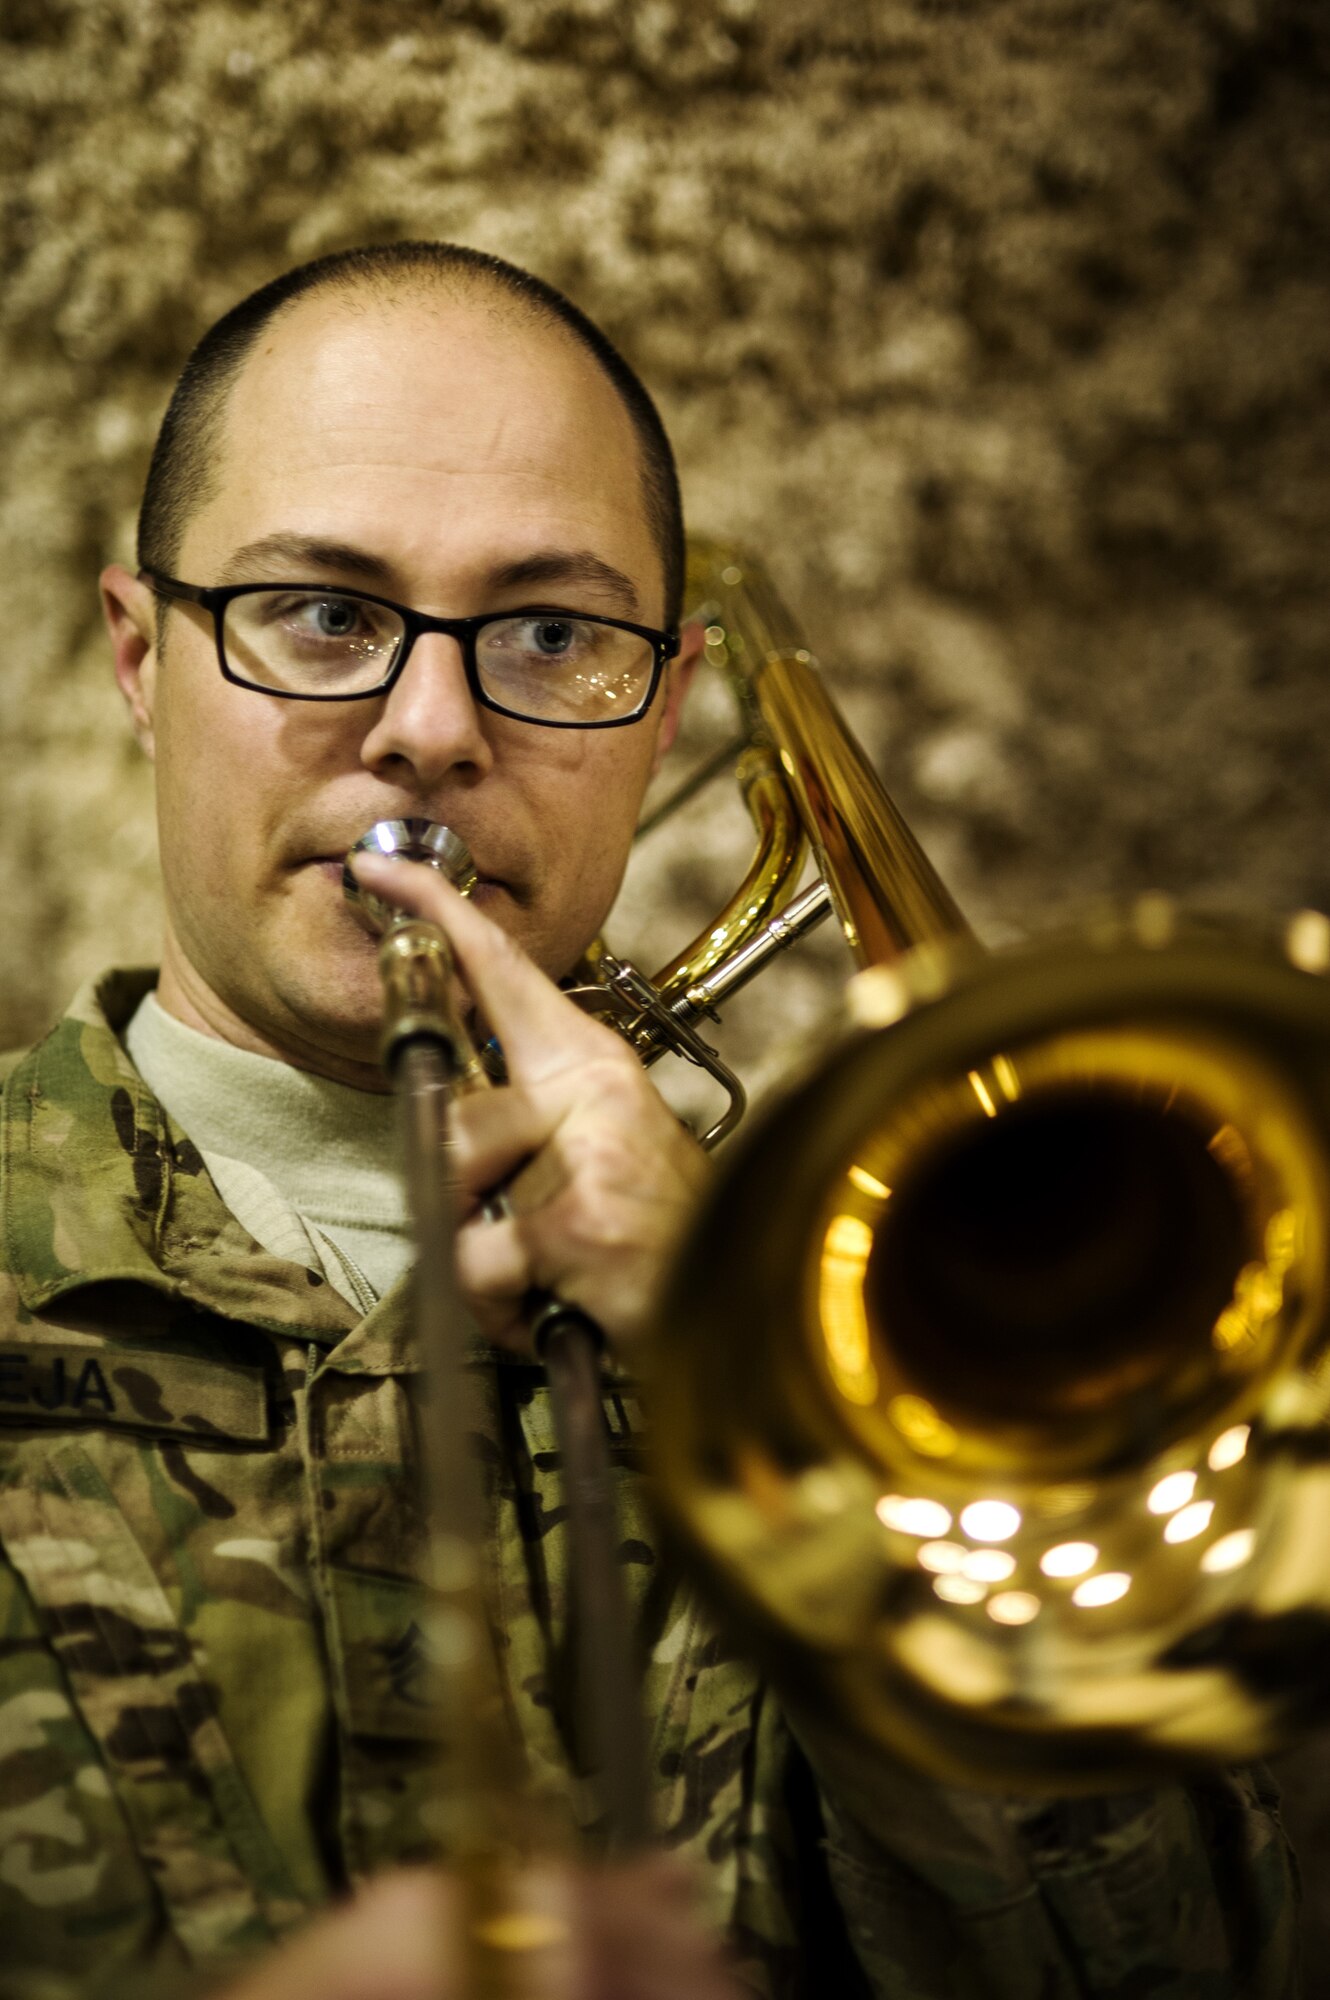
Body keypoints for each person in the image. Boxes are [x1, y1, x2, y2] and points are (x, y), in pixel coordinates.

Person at [0, 242, 1301, 1999]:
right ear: (144, 657)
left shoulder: (867, 1351)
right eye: (322, 614)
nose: (433, 728)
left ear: (665, 705)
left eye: (550, 633)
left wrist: (742, 1361)